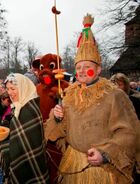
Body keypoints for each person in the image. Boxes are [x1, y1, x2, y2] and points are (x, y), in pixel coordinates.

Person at [45, 14, 139, 183]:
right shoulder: (69, 95)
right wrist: (58, 118)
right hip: (73, 163)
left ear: (98, 70)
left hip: (103, 169)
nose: (81, 71)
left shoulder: (115, 95)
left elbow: (129, 132)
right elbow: (60, 131)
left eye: (87, 67)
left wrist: (105, 153)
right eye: (78, 67)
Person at [0, 73, 49, 183]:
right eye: (8, 89)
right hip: (24, 161)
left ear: (23, 88)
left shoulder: (29, 111)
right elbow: (17, 137)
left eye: (13, 88)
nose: (9, 92)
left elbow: (24, 148)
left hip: (29, 164)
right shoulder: (21, 106)